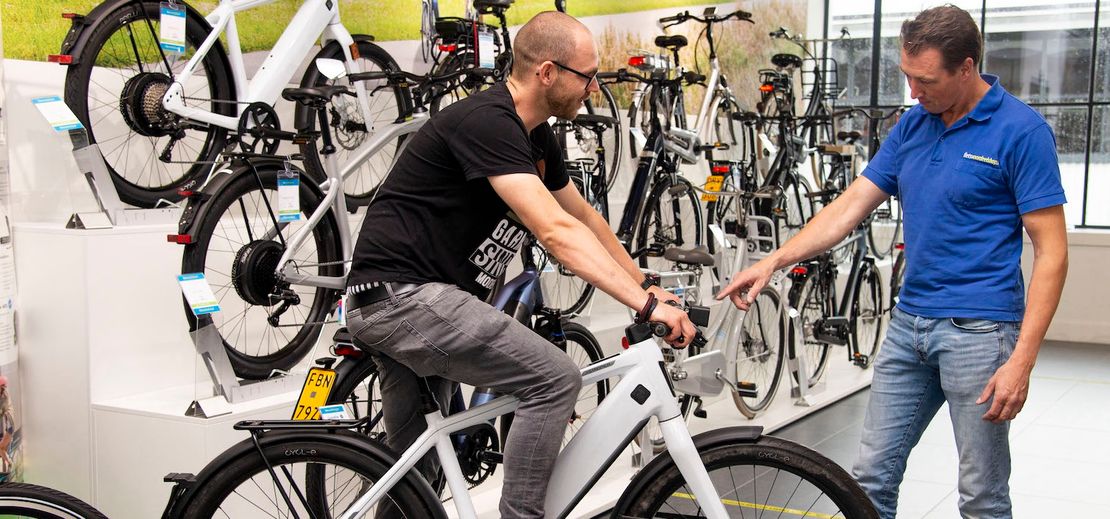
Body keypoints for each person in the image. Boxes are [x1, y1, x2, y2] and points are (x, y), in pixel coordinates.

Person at [717, 5, 1068, 518]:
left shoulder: (1021, 132)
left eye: (924, 80)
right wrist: (774, 259)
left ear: (966, 68)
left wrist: (1022, 361)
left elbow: (1052, 253)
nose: (912, 92)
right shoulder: (912, 126)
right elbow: (849, 207)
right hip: (909, 327)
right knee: (869, 479)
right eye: (906, 76)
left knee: (981, 494)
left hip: (980, 334)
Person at [344, 11, 695, 518]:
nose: (593, 88)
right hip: (405, 299)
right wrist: (642, 305)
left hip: (408, 301)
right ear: (547, 73)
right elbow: (555, 233)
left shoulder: (534, 137)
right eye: (586, 76)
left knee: (415, 483)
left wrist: (648, 286)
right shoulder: (489, 121)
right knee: (554, 379)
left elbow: (585, 220)